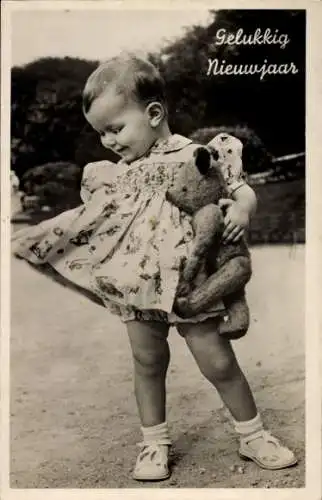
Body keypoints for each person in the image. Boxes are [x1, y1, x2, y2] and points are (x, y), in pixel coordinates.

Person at [12, 53, 297, 482]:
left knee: (217, 359)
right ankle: (154, 441)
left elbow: (241, 191)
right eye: (101, 133)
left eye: (115, 128)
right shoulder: (118, 174)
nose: (108, 140)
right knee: (147, 359)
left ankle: (252, 433)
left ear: (153, 113)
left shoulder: (199, 155)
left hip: (189, 280)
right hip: (137, 283)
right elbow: (98, 221)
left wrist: (241, 211)